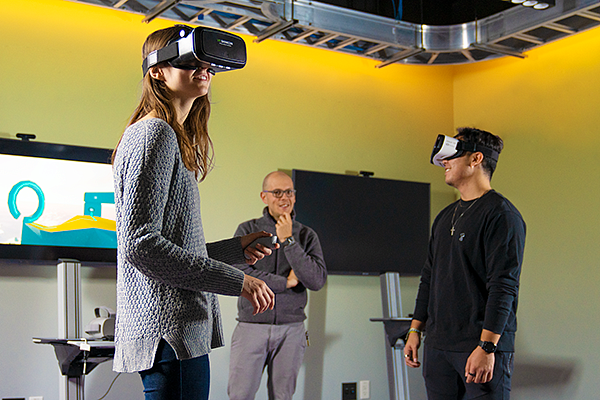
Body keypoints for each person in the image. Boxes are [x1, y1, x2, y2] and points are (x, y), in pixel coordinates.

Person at [111, 25, 275, 400]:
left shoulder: (166, 134)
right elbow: (141, 245)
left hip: (175, 335)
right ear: (156, 70)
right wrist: (240, 282)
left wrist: (236, 251)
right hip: (169, 333)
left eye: (209, 64)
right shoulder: (154, 133)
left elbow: (168, 246)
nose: (203, 68)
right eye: (189, 60)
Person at [404, 128, 526, 399]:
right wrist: (416, 329)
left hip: (478, 348)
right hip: (438, 347)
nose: (444, 162)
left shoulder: (502, 216)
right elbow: (429, 277)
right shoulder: (445, 217)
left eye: (451, 155)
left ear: (475, 159)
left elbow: (503, 286)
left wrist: (487, 347)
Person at [227, 171, 327, 400]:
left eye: (289, 192)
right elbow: (240, 272)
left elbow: (316, 280)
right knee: (239, 396)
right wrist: (287, 282)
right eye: (277, 192)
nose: (285, 198)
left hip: (292, 329)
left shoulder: (306, 236)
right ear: (264, 197)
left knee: (283, 397)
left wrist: (288, 240)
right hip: (251, 326)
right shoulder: (247, 231)